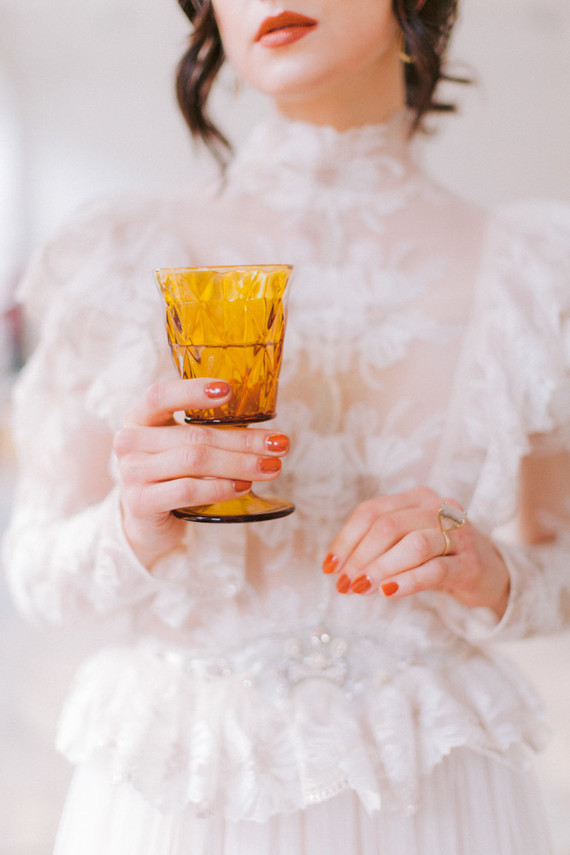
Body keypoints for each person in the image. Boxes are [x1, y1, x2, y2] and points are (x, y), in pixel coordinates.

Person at [3, 0, 570, 852]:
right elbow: (36, 575)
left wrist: (484, 565)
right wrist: (132, 523)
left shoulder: (532, 269)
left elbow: (558, 561)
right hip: (183, 790)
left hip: (435, 793)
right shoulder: (115, 254)